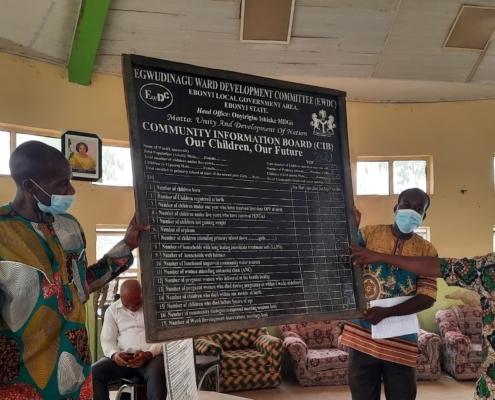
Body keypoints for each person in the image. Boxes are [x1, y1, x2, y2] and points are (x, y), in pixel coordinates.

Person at [0, 141, 148, 400]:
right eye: (61, 185)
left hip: (77, 373)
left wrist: (127, 245)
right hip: (20, 380)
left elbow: (82, 282)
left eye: (69, 181)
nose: (71, 190)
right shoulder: (2, 232)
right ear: (29, 186)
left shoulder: (70, 227)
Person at [350, 246, 495, 400]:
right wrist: (380, 256)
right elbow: (438, 266)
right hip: (490, 389)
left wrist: (387, 312)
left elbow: (428, 297)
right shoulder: (489, 269)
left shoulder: (425, 248)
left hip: (402, 343)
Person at [340, 188, 438, 400]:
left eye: (418, 208)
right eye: (406, 205)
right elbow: (342, 263)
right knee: (363, 395)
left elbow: (428, 297)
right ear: (396, 207)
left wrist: (387, 312)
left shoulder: (427, 251)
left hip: (400, 338)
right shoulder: (368, 233)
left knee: (403, 395)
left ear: (424, 216)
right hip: (362, 332)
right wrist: (350, 229)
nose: (411, 211)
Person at [92, 279, 167, 400]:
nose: (132, 308)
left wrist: (149, 354)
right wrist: (115, 355)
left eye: (137, 303)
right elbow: (107, 340)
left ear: (143, 293)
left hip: (151, 357)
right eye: (127, 305)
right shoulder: (112, 311)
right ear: (120, 297)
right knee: (94, 372)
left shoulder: (156, 307)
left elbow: (165, 337)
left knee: (158, 371)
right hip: (123, 360)